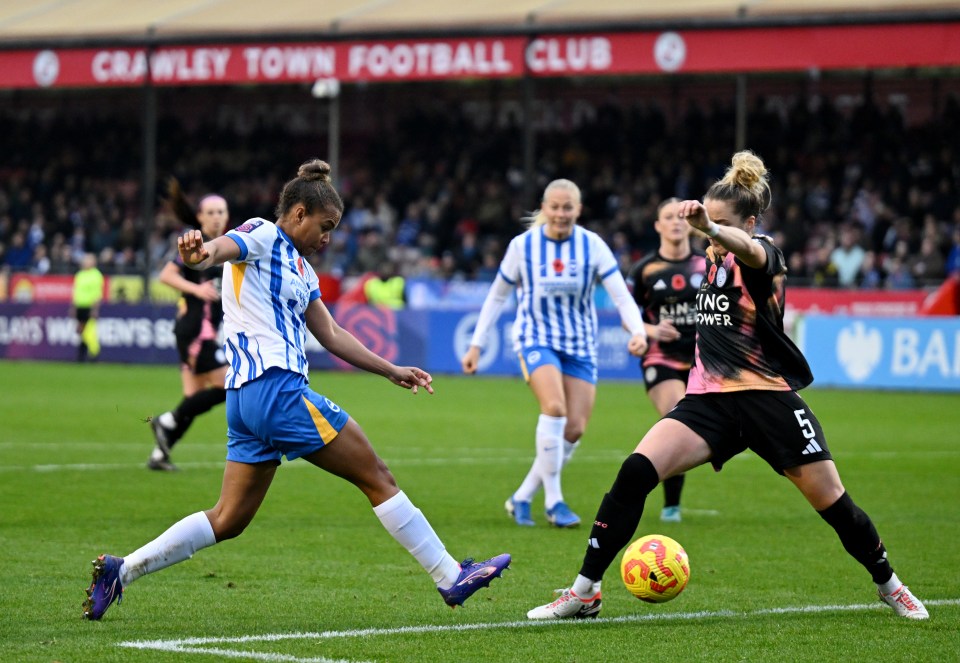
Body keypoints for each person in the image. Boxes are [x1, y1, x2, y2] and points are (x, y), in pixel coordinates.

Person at [83, 160, 510, 621]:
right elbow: (216, 251)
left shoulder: (302, 271)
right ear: (300, 213)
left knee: (228, 518)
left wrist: (390, 370)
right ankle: (450, 576)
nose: (328, 238)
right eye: (325, 227)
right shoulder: (263, 233)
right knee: (377, 476)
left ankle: (119, 571)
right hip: (276, 390)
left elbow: (330, 333)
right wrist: (196, 254)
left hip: (245, 401)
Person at [527, 151, 928, 621]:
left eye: (718, 223)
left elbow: (751, 250)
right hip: (708, 402)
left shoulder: (762, 254)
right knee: (634, 473)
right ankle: (584, 591)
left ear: (748, 223)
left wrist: (715, 229)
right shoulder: (708, 262)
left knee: (835, 503)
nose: (707, 231)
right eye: (706, 221)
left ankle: (890, 584)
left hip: (768, 400)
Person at [461, 179, 648, 529]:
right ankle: (554, 502)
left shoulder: (592, 246)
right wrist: (477, 343)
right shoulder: (523, 246)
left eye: (568, 208)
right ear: (544, 208)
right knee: (555, 409)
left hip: (580, 343)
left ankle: (521, 496)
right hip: (536, 338)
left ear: (578, 210)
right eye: (555, 207)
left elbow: (622, 295)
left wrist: (637, 330)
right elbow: (498, 296)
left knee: (574, 429)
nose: (561, 214)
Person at [626, 198, 706, 523]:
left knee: (713, 429)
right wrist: (649, 330)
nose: (675, 222)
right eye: (668, 217)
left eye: (680, 217)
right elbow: (627, 315)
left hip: (704, 361)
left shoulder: (707, 265)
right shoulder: (644, 270)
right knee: (677, 417)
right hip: (661, 358)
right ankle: (671, 505)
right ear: (658, 225)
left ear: (690, 224)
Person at [148, 180, 231, 471]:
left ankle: (160, 454)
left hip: (199, 331)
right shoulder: (193, 242)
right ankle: (166, 420)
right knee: (229, 384)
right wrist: (197, 291)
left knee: (194, 398)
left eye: (221, 211)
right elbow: (165, 276)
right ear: (199, 216)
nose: (217, 216)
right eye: (211, 212)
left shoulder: (226, 247)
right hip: (196, 331)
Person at [71, 253, 104, 362]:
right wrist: (73, 307)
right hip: (80, 306)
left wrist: (95, 309)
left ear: (94, 262)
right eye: (85, 260)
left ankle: (94, 354)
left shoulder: (96, 275)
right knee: (81, 332)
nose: (85, 262)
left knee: (89, 331)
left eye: (88, 260)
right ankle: (82, 355)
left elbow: (97, 293)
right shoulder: (79, 274)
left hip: (89, 307)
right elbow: (76, 292)